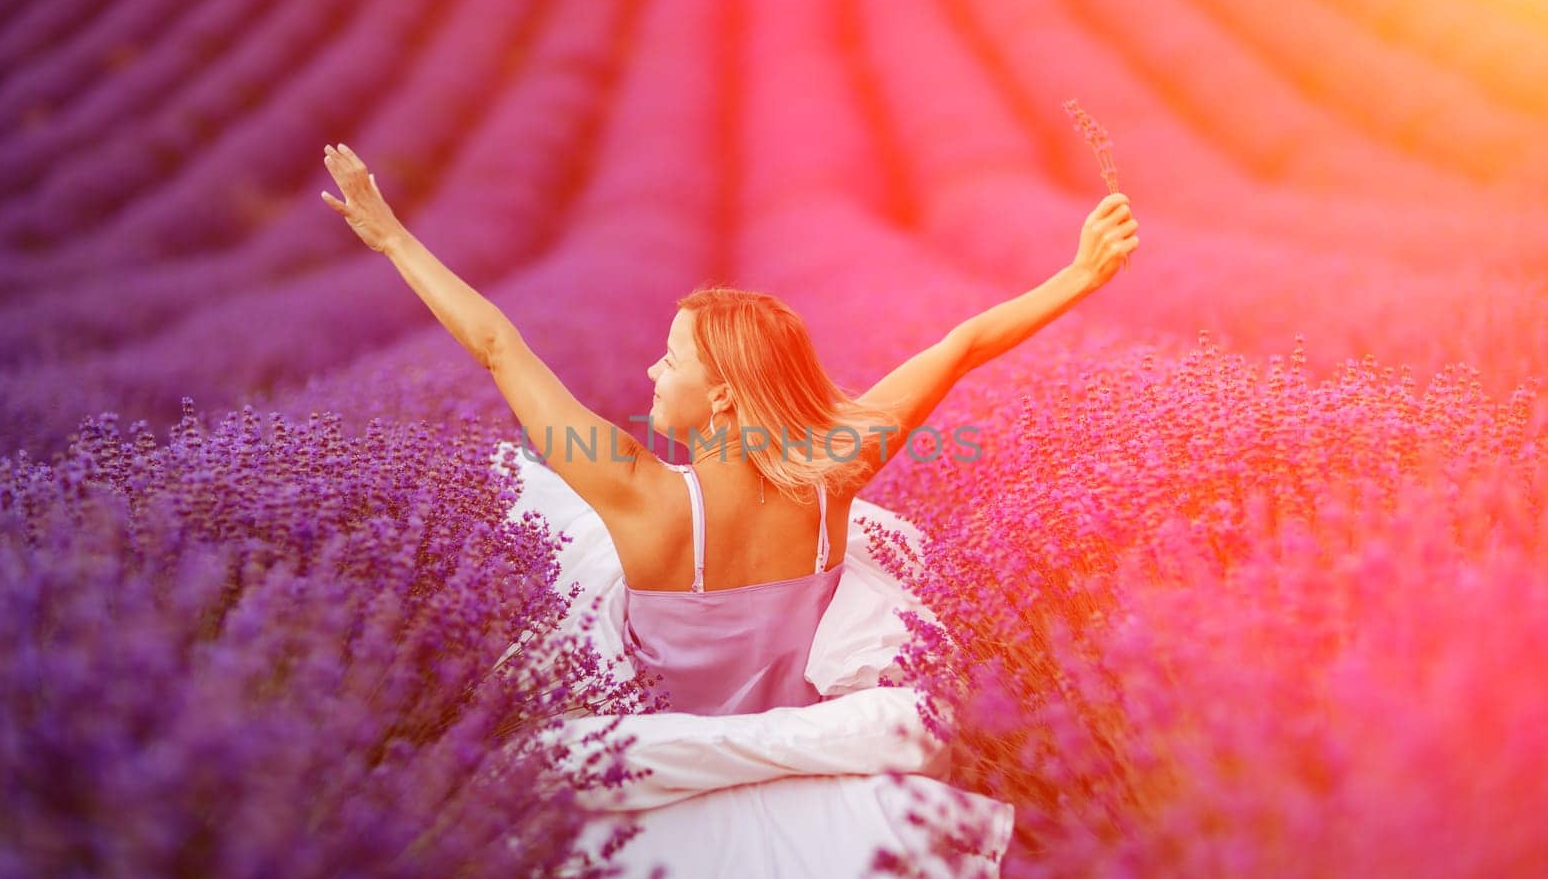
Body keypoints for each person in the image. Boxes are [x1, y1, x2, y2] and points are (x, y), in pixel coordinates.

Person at [321, 141, 1140, 716]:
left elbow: (500, 345)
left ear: (719, 398)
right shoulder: (836, 471)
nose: (650, 373)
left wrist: (392, 237)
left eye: (669, 360)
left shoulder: (640, 494)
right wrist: (1081, 274)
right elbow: (960, 345)